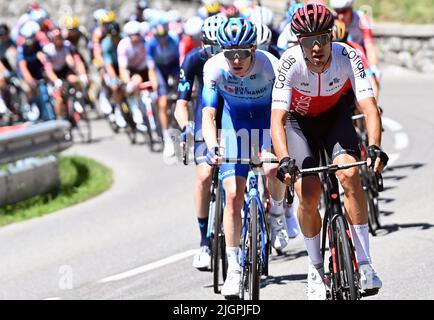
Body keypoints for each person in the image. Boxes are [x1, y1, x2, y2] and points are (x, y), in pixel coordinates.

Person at [270, 3, 388, 300]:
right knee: (307, 192)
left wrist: (375, 146)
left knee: (349, 175)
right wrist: (284, 159)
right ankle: (315, 266)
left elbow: (369, 108)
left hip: (335, 118)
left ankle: (365, 264)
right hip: (299, 124)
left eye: (323, 38)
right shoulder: (289, 62)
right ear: (299, 42)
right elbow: (277, 120)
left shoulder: (347, 55)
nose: (317, 47)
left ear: (331, 37)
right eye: (309, 41)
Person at [202, 17, 289, 298]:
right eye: (230, 54)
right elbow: (209, 114)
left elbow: (283, 110)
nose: (236, 60)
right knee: (232, 195)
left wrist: (277, 147)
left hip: (267, 120)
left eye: (242, 53)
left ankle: (276, 212)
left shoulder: (271, 65)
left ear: (254, 49)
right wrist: (213, 145)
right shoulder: (214, 67)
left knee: (271, 168)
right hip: (234, 122)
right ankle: (234, 269)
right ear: (222, 52)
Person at [174, 14, 227, 271]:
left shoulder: (234, 58)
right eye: (210, 45)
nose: (215, 51)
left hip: (232, 117)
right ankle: (204, 241)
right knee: (204, 176)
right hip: (204, 117)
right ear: (203, 43)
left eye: (220, 45)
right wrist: (185, 128)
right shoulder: (194, 59)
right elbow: (181, 103)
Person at [330, 0, 381, 96]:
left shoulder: (362, 18)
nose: (340, 15)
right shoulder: (332, 18)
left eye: (344, 11)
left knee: (374, 77)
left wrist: (373, 66)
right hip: (340, 54)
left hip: (359, 53)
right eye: (337, 11)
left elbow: (369, 44)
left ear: (351, 8)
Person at [146, 18, 181, 158]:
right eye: (159, 38)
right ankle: (167, 139)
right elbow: (151, 68)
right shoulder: (150, 45)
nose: (163, 41)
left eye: (164, 37)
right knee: (163, 101)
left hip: (173, 65)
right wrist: (156, 86)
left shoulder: (174, 40)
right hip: (159, 69)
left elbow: (180, 61)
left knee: (183, 92)